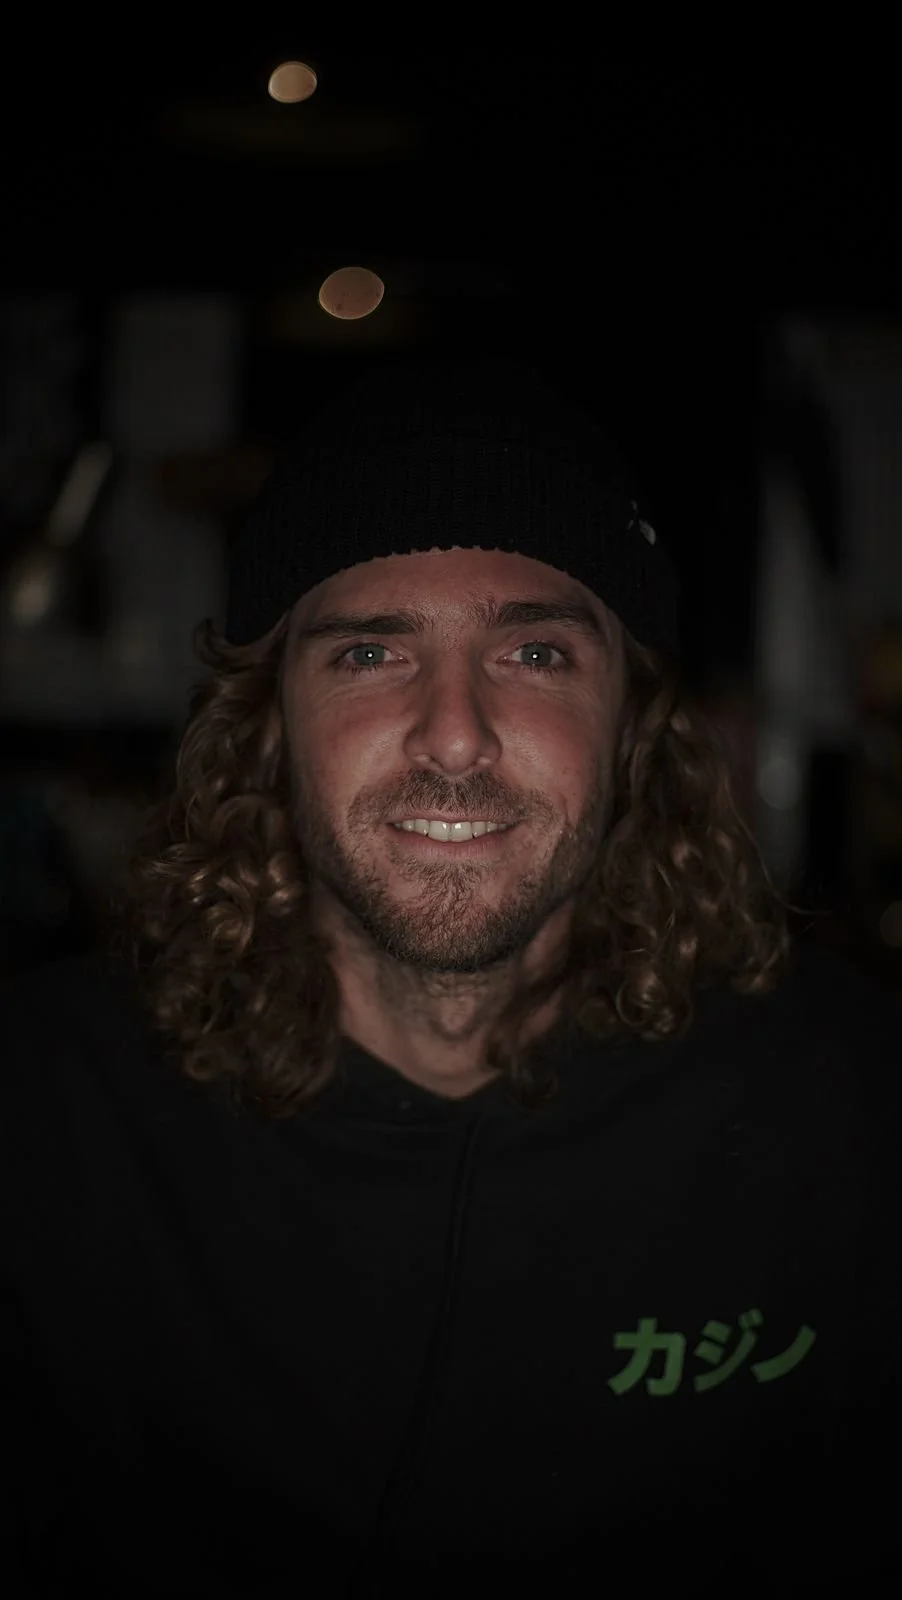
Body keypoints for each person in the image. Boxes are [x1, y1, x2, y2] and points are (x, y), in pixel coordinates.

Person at [2, 356, 899, 1594]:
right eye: (370, 655)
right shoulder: (46, 1111)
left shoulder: (846, 1097)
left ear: (632, 725)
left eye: (534, 655)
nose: (456, 734)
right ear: (267, 724)